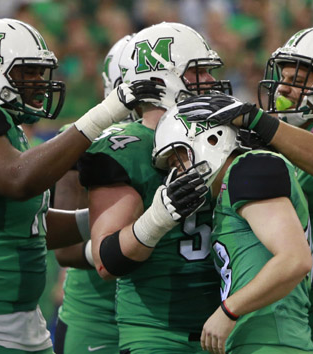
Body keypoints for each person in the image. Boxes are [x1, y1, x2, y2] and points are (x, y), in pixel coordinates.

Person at [0, 18, 161, 354]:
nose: (38, 83)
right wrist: (105, 113)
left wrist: (106, 219)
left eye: (39, 73)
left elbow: (31, 225)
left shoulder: (8, 131)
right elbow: (19, 180)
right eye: (26, 73)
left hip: (18, 326)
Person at [179, 26, 313, 353]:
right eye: (282, 76)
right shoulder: (281, 142)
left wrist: (259, 123)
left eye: (297, 77)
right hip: (295, 314)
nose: (283, 87)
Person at [78, 22, 231, 353]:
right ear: (163, 77)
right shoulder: (128, 146)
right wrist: (157, 219)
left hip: (227, 324)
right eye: (197, 72)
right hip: (157, 332)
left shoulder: (225, 134)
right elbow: (107, 262)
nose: (208, 81)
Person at [153, 105, 313, 353]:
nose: (178, 173)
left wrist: (229, 310)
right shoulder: (231, 189)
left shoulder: (248, 168)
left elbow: (295, 259)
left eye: (179, 159)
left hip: (273, 342)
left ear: (210, 139)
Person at [53, 34, 134, 354]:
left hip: (166, 315)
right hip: (98, 316)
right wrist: (122, 248)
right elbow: (67, 251)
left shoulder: (194, 142)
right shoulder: (87, 142)